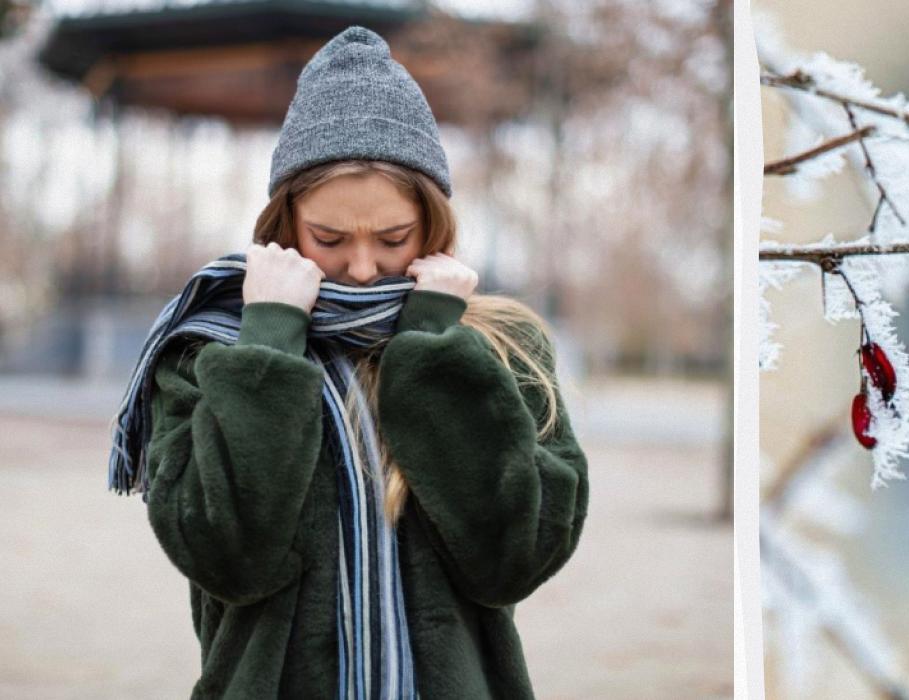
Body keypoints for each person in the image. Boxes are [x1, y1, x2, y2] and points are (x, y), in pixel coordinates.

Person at [108, 26, 588, 699]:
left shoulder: (502, 348)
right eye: (329, 238)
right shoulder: (212, 350)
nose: (363, 268)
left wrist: (434, 355)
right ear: (284, 226)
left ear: (433, 224)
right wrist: (270, 345)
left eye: (393, 238)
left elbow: (515, 560)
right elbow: (225, 557)